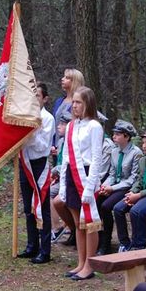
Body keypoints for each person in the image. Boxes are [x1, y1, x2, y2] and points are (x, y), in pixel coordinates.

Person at [58, 86, 104, 280]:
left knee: (89, 221)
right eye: (73, 102)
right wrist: (62, 184)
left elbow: (96, 158)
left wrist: (90, 185)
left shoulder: (95, 126)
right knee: (78, 222)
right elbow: (66, 158)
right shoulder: (70, 126)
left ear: (87, 104)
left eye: (78, 102)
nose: (74, 106)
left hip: (86, 175)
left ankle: (90, 265)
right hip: (71, 173)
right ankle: (80, 261)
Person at [17, 83, 55, 264]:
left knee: (42, 207)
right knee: (28, 208)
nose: (34, 100)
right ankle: (32, 245)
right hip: (24, 162)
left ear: (45, 99)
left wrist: (31, 131)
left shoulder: (47, 119)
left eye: (38, 96)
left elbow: (42, 146)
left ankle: (45, 250)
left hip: (39, 165)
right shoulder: (25, 116)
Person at [96, 119, 142, 255]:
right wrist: (104, 186)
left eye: (118, 134)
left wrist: (112, 189)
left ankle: (107, 242)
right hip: (114, 185)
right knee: (97, 200)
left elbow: (132, 179)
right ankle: (99, 238)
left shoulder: (136, 153)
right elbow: (111, 174)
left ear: (126, 137)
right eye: (114, 134)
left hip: (127, 188)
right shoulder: (114, 151)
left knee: (106, 206)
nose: (114, 136)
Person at [49, 111, 73, 243]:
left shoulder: (72, 140)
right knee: (46, 191)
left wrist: (55, 171)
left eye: (62, 124)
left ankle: (63, 226)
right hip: (61, 178)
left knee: (52, 194)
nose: (58, 126)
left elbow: (66, 163)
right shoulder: (61, 141)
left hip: (69, 178)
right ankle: (58, 226)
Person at [51, 68, 84, 149]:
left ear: (74, 82)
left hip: (72, 147)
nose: (62, 79)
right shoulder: (59, 101)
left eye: (67, 78)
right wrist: (52, 145)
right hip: (56, 146)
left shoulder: (80, 103)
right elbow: (55, 124)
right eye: (63, 77)